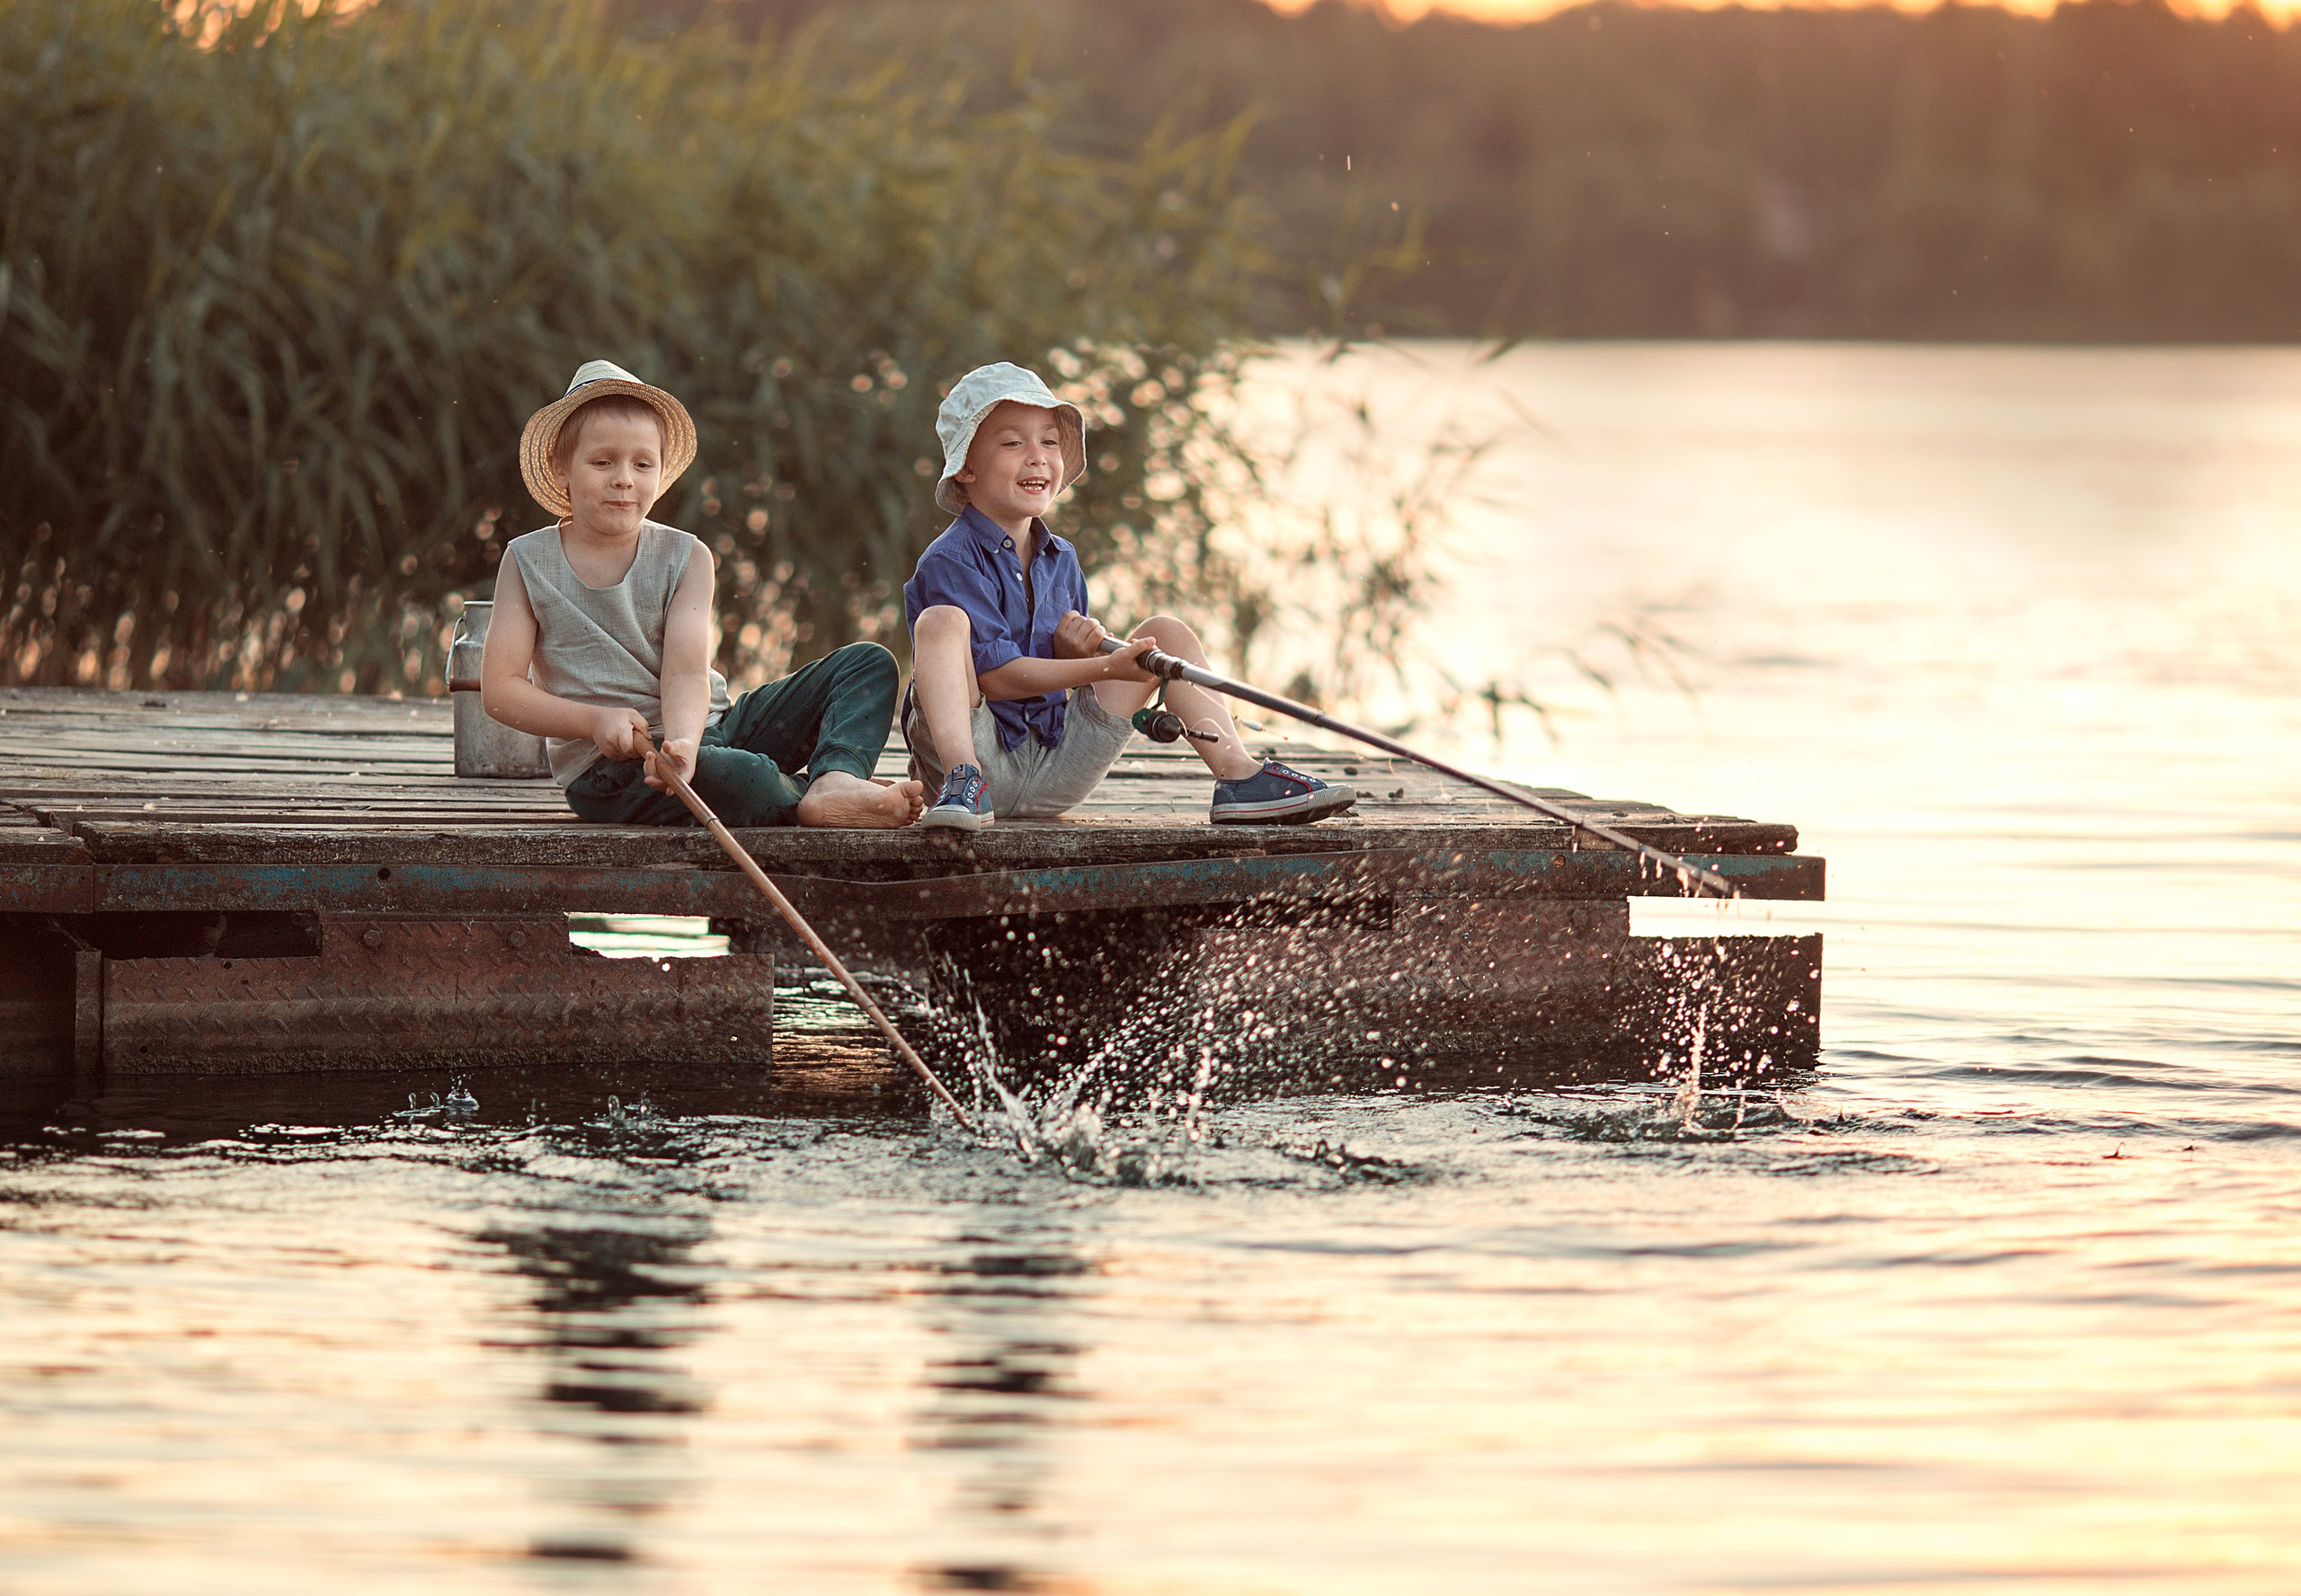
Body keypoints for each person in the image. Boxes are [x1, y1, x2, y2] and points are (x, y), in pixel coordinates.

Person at [901, 361, 1354, 831]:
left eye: (1050, 441)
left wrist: (1069, 658)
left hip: (1057, 768)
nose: (1037, 457)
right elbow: (995, 679)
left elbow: (1054, 676)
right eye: (1013, 443)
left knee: (1166, 632)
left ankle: (1239, 776)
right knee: (940, 623)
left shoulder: (1062, 559)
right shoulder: (950, 560)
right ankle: (962, 780)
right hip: (981, 763)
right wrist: (1105, 667)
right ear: (966, 470)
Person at [482, 359, 923, 829]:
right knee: (736, 776)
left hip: (705, 728)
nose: (624, 479)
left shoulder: (686, 556)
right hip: (612, 772)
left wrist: (686, 746)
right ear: (560, 468)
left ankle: (836, 779)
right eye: (602, 461)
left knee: (867, 664)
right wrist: (593, 721)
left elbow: (687, 672)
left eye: (642, 463)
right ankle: (801, 794)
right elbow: (501, 691)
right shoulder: (527, 561)